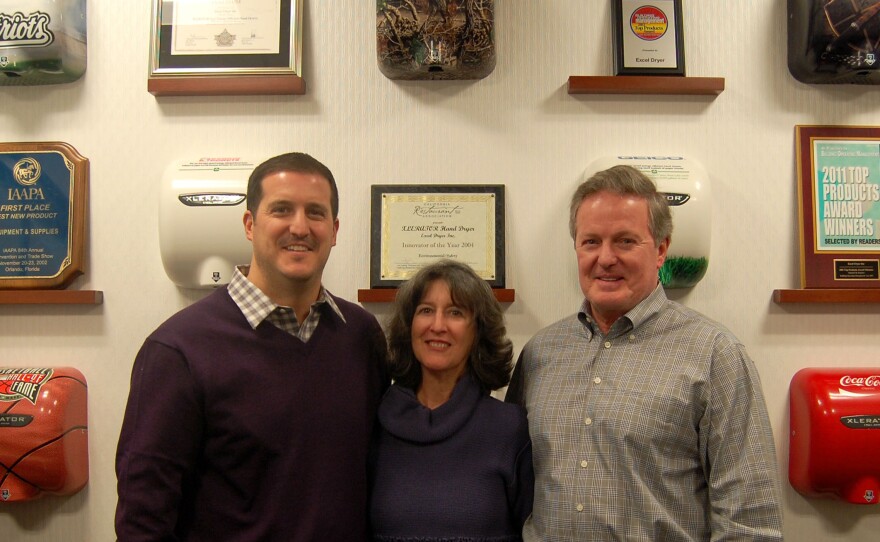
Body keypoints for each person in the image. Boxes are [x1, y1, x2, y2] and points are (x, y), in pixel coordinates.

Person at [115, 152, 389, 541]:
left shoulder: (360, 336)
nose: (300, 227)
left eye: (315, 213)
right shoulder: (178, 351)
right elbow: (144, 518)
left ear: (334, 228)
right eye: (281, 209)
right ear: (249, 224)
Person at [506, 165, 783, 541]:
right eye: (591, 242)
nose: (605, 258)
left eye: (625, 241)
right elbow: (515, 486)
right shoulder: (540, 353)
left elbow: (751, 521)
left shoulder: (716, 357)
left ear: (661, 250)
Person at [369, 259, 534, 542]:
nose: (437, 325)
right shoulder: (374, 424)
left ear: (478, 331)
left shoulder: (509, 428)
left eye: (455, 312)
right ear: (409, 326)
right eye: (426, 311)